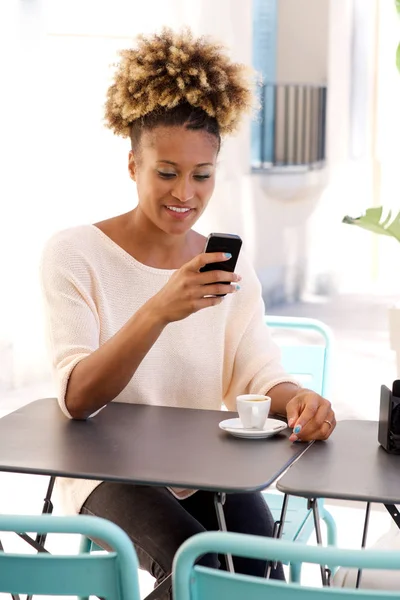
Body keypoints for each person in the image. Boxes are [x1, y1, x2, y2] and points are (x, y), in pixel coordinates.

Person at [41, 28, 336, 598]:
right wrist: (158, 310)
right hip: (106, 472)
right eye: (167, 172)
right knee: (196, 569)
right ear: (133, 165)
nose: (185, 193)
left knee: (259, 572)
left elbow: (258, 374)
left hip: (204, 469)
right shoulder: (74, 254)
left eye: (202, 175)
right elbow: (77, 397)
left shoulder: (229, 270)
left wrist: (296, 398)